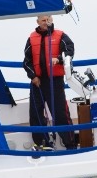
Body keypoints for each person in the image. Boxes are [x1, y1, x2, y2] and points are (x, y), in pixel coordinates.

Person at [23, 15, 76, 150]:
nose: (46, 23)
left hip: (55, 81)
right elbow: (26, 61)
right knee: (35, 113)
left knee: (60, 113)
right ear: (38, 22)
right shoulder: (31, 38)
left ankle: (70, 143)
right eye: (43, 20)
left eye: (48, 20)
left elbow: (69, 51)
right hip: (37, 82)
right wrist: (33, 76)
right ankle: (41, 143)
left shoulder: (60, 35)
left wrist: (58, 59)